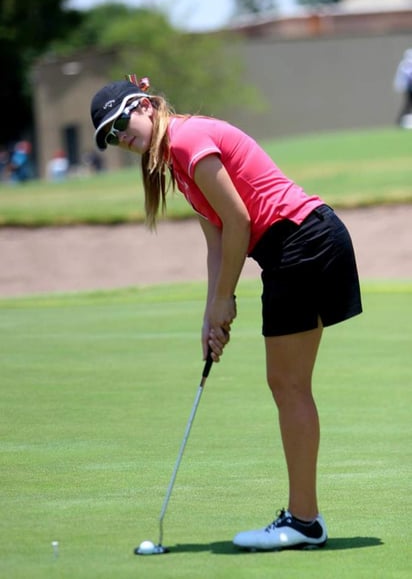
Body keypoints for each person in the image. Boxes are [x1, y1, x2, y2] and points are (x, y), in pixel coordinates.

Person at [90, 76, 362, 551]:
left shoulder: (189, 139)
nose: (121, 139)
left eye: (121, 124)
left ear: (146, 106)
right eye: (111, 138)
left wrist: (225, 298)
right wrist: (211, 311)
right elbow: (217, 241)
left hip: (302, 240)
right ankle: (305, 519)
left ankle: (304, 521)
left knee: (288, 384)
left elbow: (239, 220)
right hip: (300, 243)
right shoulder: (174, 162)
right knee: (288, 384)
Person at [393, 48, 412, 127]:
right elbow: (402, 77)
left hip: (407, 88)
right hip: (409, 88)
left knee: (407, 105)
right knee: (407, 105)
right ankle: (400, 121)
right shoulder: (406, 65)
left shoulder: (404, 64)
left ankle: (400, 121)